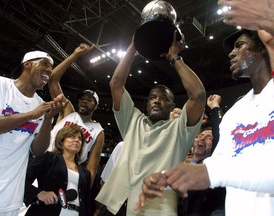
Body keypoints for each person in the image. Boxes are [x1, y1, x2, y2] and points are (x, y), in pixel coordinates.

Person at [137, 30, 274, 215]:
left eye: (239, 45)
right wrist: (170, 177)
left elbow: (217, 172)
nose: (231, 53)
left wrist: (210, 173)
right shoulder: (235, 114)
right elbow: (217, 164)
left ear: (263, 48)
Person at [96, 30, 206, 216]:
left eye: (163, 98)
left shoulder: (180, 129)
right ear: (146, 104)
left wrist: (174, 57)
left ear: (172, 106)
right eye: (153, 97)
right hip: (115, 204)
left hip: (152, 209)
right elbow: (116, 84)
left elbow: (198, 95)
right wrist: (133, 47)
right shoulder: (133, 120)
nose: (157, 100)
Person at [0, 50, 68, 215]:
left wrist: (47, 120)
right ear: (28, 64)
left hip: (9, 199)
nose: (49, 70)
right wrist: (32, 115)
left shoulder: (40, 104)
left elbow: (37, 152)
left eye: (51, 68)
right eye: (44, 63)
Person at [47, 43, 105, 187]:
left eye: (89, 99)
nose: (84, 101)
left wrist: (85, 195)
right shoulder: (68, 111)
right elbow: (53, 79)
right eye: (82, 98)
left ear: (96, 106)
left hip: (70, 171)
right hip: (47, 160)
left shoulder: (98, 131)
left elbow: (91, 168)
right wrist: (75, 55)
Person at [23, 124, 91, 216]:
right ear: (61, 141)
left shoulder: (85, 173)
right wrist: (39, 193)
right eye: (72, 136)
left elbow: (86, 202)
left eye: (80, 139)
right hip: (46, 212)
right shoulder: (48, 158)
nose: (77, 140)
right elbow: (21, 180)